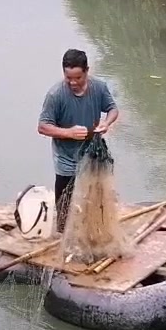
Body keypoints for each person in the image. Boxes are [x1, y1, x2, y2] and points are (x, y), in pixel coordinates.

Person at [37, 48, 120, 233]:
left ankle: (94, 230)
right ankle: (63, 232)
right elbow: (42, 126)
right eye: (69, 78)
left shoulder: (99, 87)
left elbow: (113, 109)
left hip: (92, 154)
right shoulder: (55, 95)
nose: (73, 83)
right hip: (66, 159)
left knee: (95, 198)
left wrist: (106, 123)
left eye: (78, 78)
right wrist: (69, 133)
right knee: (65, 204)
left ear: (87, 71)